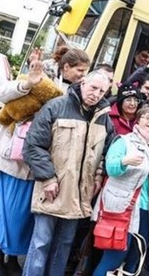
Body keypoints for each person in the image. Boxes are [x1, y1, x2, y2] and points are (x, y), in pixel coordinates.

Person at [0, 47, 90, 275]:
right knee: (6, 210)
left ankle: (11, 257)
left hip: (40, 164)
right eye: (80, 70)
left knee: (23, 216)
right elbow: (2, 93)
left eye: (86, 71)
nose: (83, 75)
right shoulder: (40, 77)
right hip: (16, 158)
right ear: (66, 67)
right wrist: (28, 83)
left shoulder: (75, 92)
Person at [22, 72, 116, 276]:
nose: (96, 94)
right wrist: (47, 178)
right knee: (41, 243)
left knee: (64, 245)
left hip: (80, 194)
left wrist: (99, 176)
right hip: (52, 188)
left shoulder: (104, 118)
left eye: (101, 91)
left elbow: (106, 153)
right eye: (93, 87)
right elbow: (33, 146)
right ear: (83, 83)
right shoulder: (56, 106)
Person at [92, 105, 149, 275]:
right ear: (138, 119)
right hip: (124, 210)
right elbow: (110, 168)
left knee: (133, 263)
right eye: (147, 117)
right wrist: (124, 161)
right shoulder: (124, 141)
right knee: (112, 260)